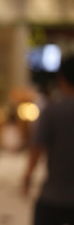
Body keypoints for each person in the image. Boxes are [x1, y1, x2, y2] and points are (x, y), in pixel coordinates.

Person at [22, 55, 74, 225]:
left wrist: (28, 176)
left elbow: (37, 148)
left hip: (55, 195)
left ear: (61, 79)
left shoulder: (52, 111)